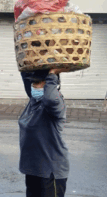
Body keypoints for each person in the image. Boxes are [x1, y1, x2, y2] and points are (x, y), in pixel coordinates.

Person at [19, 68, 69, 197]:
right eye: (34, 83)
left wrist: (52, 75)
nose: (35, 87)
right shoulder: (33, 102)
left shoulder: (56, 105)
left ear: (51, 85)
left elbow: (50, 99)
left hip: (50, 171)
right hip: (33, 169)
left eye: (40, 83)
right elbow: (26, 76)